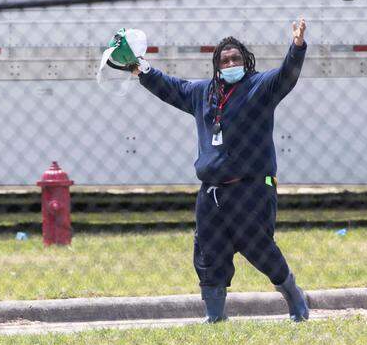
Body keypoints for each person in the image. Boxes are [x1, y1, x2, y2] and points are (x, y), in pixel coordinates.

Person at [132, 18, 310, 323]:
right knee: (208, 252)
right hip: (212, 192)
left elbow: (286, 77)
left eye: (236, 59)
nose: (231, 63)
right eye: (225, 60)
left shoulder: (259, 88)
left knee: (258, 248)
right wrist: (142, 69)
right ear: (217, 65)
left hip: (251, 189)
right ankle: (215, 316)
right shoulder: (203, 93)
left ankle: (294, 297)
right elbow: (171, 87)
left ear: (246, 61)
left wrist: (296, 47)